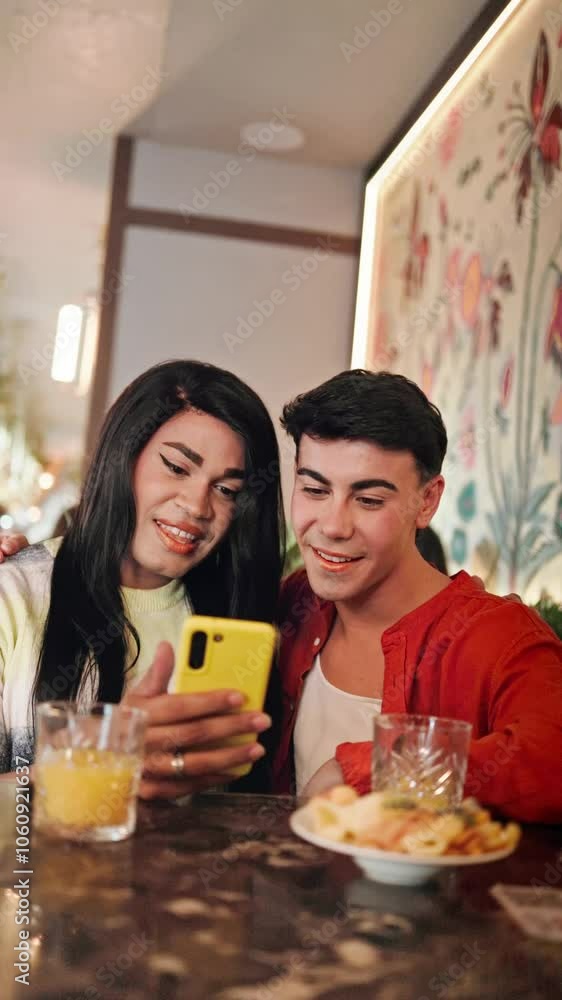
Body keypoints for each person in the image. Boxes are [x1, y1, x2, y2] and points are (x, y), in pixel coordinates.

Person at [272, 369, 562, 823]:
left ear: (426, 502)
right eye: (314, 489)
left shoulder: (503, 638)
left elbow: (550, 763)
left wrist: (376, 769)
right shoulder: (296, 603)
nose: (332, 526)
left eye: (369, 500)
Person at [0, 360, 284, 800]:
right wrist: (102, 761)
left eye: (227, 490)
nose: (197, 506)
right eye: (177, 467)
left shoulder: (235, 625)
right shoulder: (15, 594)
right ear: (123, 456)